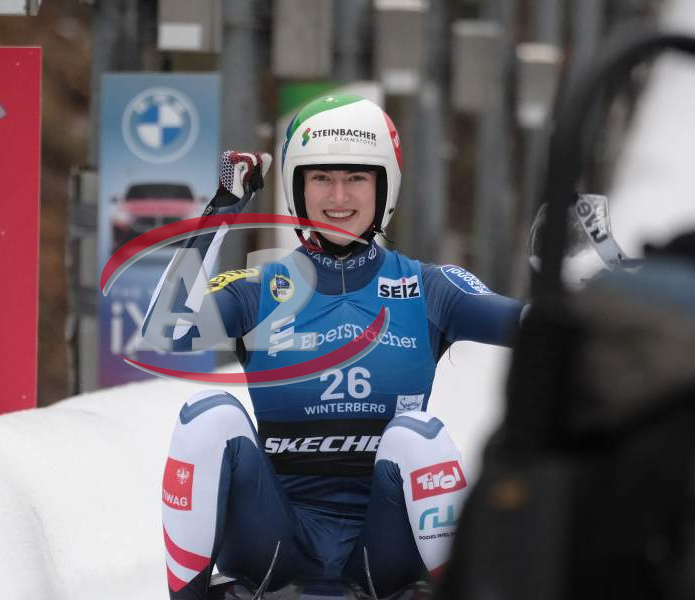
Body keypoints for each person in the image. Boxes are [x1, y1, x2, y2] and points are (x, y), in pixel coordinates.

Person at [149, 94, 525, 599]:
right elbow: (165, 329)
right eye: (321, 177)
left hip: (383, 552)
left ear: (385, 186)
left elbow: (539, 328)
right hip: (276, 545)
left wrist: (588, 279)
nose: (338, 196)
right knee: (206, 416)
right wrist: (222, 208)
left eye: (357, 178)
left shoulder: (430, 287)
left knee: (418, 436)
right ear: (296, 189)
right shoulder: (260, 288)